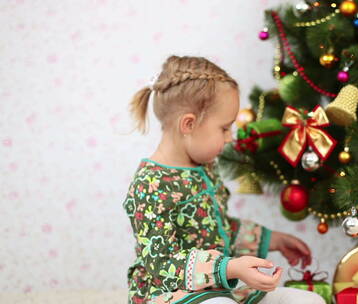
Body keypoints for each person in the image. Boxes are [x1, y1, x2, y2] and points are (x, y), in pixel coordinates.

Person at [123, 56, 326, 304]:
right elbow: (161, 263)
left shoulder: (204, 168)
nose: (230, 138)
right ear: (189, 124)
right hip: (169, 296)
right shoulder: (150, 185)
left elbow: (218, 229)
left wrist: (273, 239)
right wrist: (229, 268)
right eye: (224, 128)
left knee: (306, 301)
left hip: (220, 289)